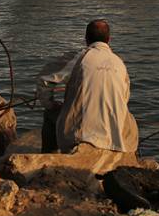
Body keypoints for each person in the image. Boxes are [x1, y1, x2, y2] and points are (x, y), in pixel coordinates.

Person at [56, 20, 138, 155]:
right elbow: (125, 97)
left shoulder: (78, 58)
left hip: (81, 134)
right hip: (117, 138)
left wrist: (50, 103)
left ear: (86, 39)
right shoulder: (119, 63)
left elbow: (45, 81)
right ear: (109, 39)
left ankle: (48, 156)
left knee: (50, 114)